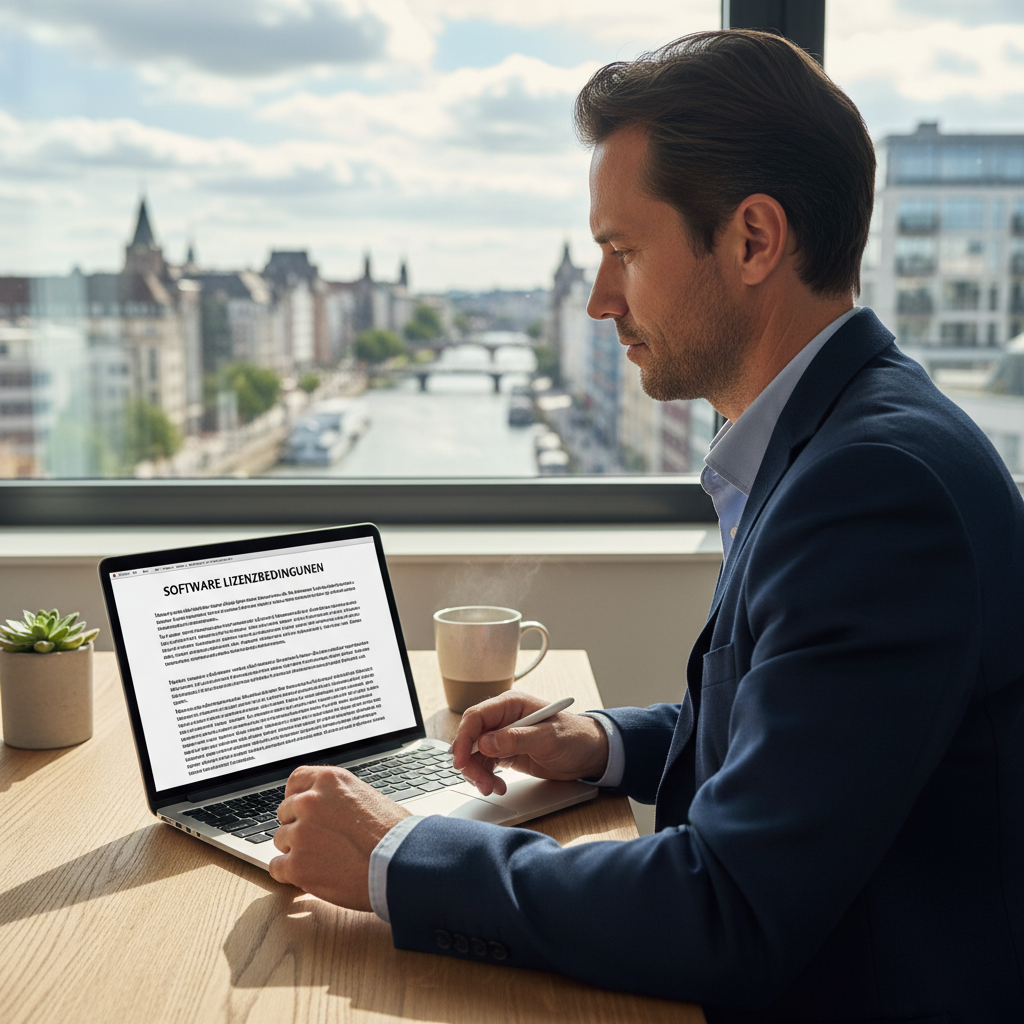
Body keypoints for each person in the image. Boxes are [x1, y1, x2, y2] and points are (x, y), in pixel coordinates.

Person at [268, 30, 1024, 1023]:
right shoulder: (845, 436)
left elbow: (726, 909)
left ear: (752, 239)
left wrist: (395, 854)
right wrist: (603, 743)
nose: (598, 299)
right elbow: (812, 738)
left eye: (623, 250)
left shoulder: (873, 490)